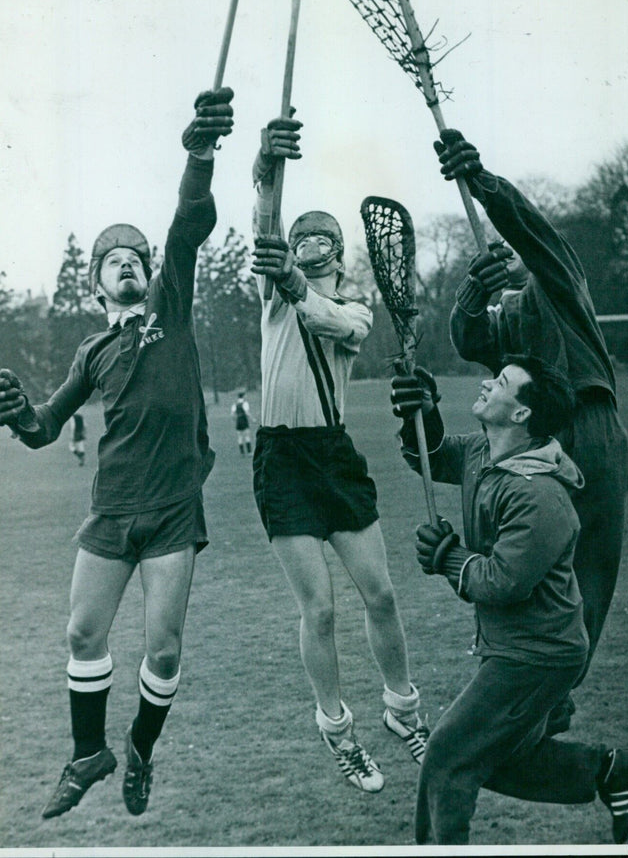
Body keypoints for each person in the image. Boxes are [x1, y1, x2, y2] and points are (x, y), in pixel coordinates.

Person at [0, 87, 234, 819]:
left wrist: (199, 154)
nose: (127, 265)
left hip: (169, 511)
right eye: (112, 261)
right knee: (82, 633)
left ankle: (141, 751)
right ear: (95, 286)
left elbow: (188, 225)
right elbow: (45, 428)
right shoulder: (92, 351)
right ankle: (87, 753)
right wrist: (21, 415)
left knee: (162, 652)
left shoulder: (171, 309)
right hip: (110, 512)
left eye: (136, 258)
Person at [390, 355, 628, 846]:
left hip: (539, 656)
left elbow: (502, 583)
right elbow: (436, 455)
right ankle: (607, 770)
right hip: (519, 647)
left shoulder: (540, 496)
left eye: (501, 381)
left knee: (446, 758)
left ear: (523, 414)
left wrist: (448, 557)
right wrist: (419, 414)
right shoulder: (485, 456)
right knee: (493, 758)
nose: (487, 382)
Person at [249, 113, 428, 793]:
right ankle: (337, 730)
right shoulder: (273, 288)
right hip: (282, 460)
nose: (309, 240)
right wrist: (267, 165)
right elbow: (266, 216)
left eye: (321, 235)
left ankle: (403, 710)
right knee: (318, 610)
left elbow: (328, 321)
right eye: (301, 237)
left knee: (379, 594)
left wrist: (299, 285)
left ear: (339, 250)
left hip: (334, 455)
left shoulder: (354, 305)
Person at [435, 131, 628, 735]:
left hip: (589, 428)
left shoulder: (560, 285)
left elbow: (536, 236)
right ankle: (538, 683)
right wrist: (474, 287)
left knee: (591, 570)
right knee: (531, 563)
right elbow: (468, 339)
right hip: (536, 440)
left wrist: (482, 183)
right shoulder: (511, 318)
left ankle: (557, 694)